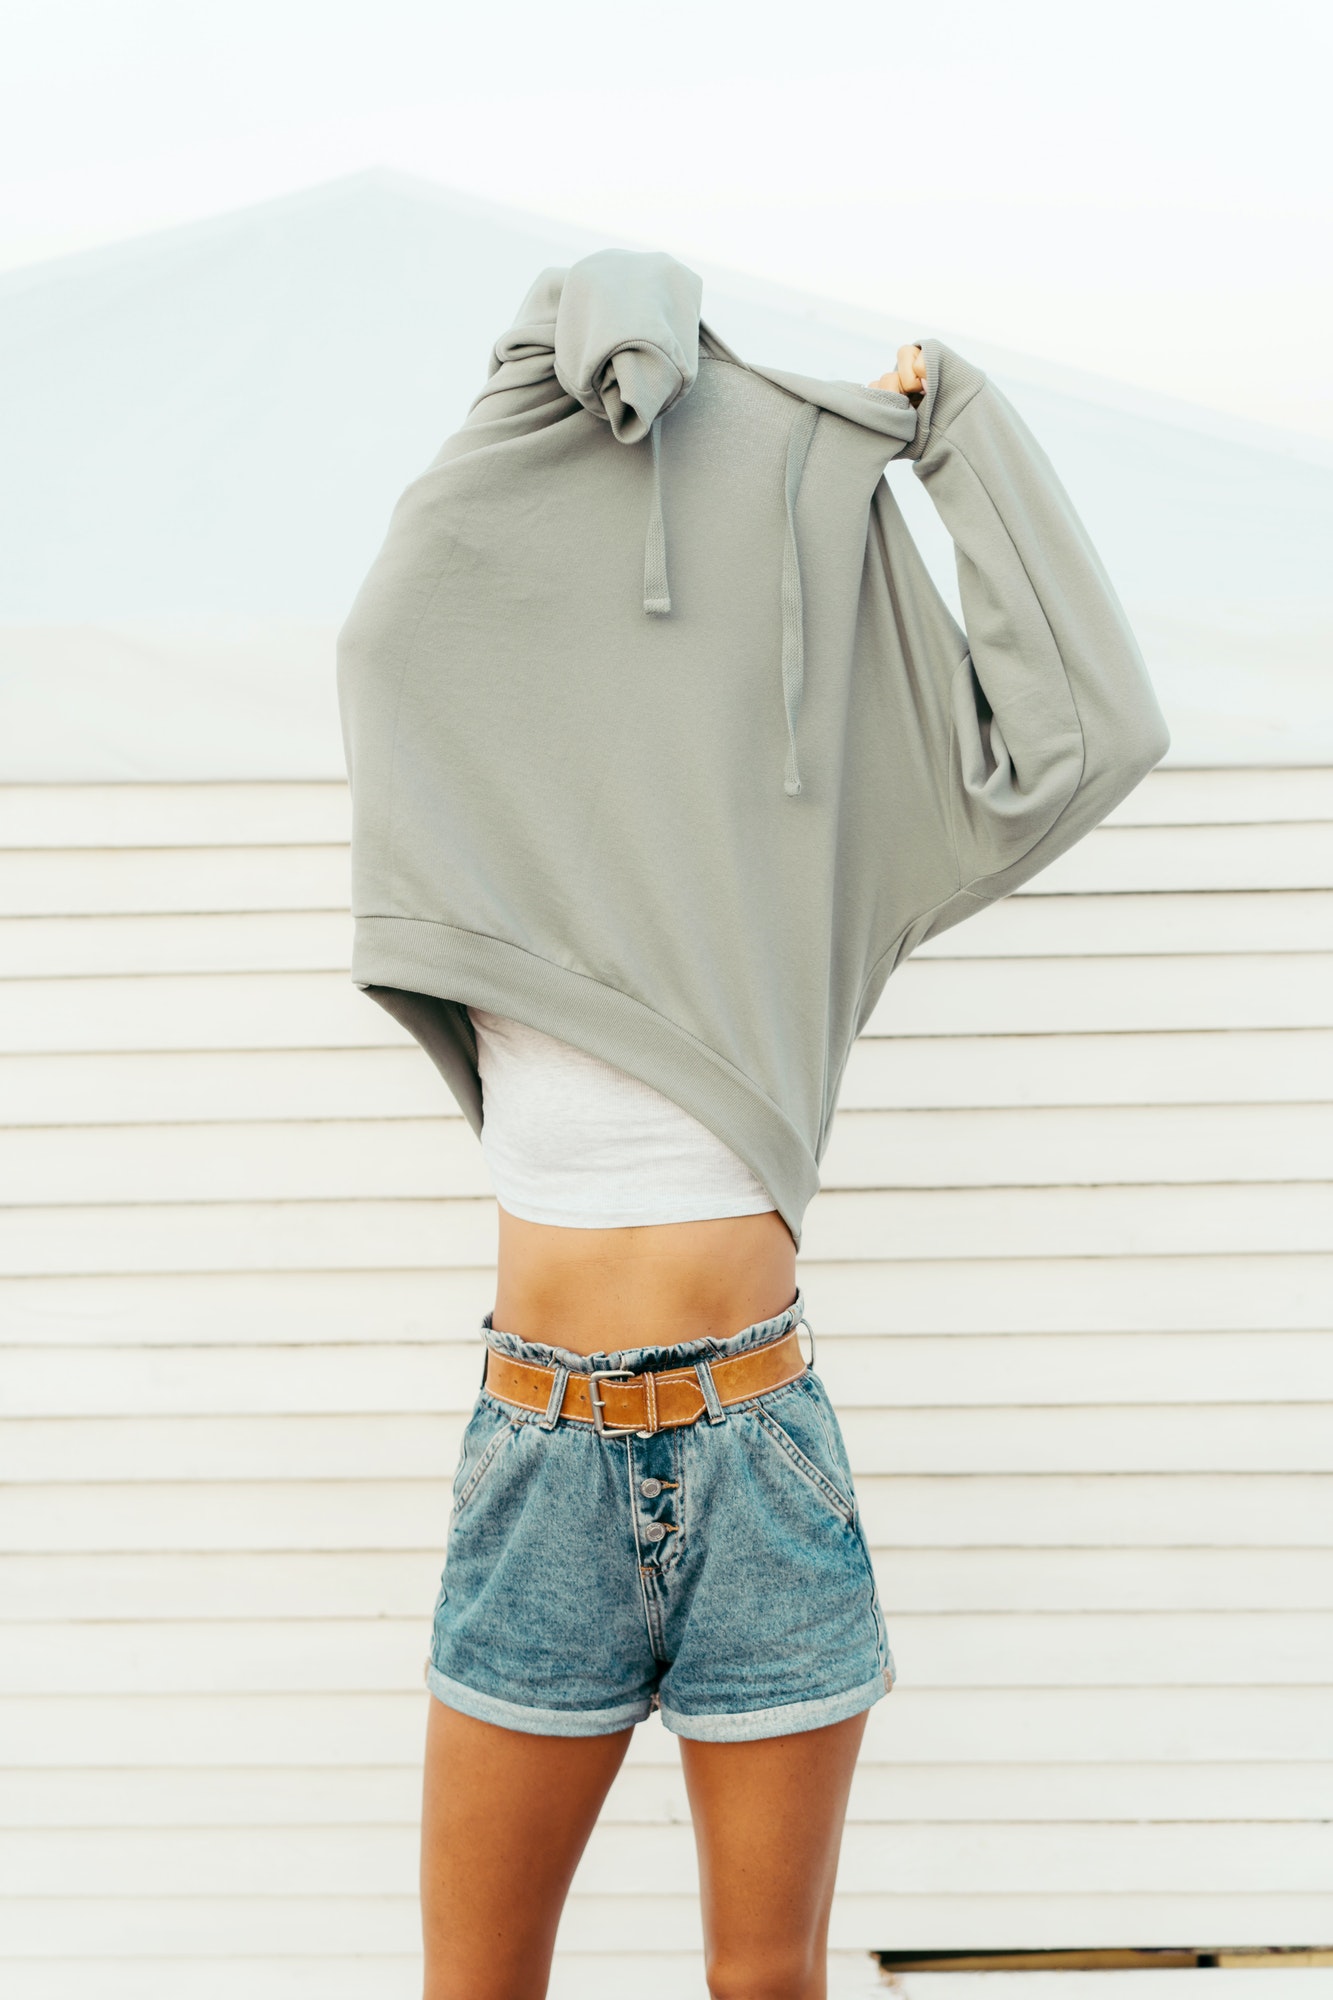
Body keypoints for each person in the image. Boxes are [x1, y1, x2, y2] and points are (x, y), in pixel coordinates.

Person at [336, 251, 1169, 2000]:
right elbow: (566, 328)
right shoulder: (455, 767)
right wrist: (623, 325)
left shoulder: (819, 840)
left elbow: (1095, 732)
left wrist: (961, 443)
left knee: (766, 1984)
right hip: (537, 1456)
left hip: (758, 1447)